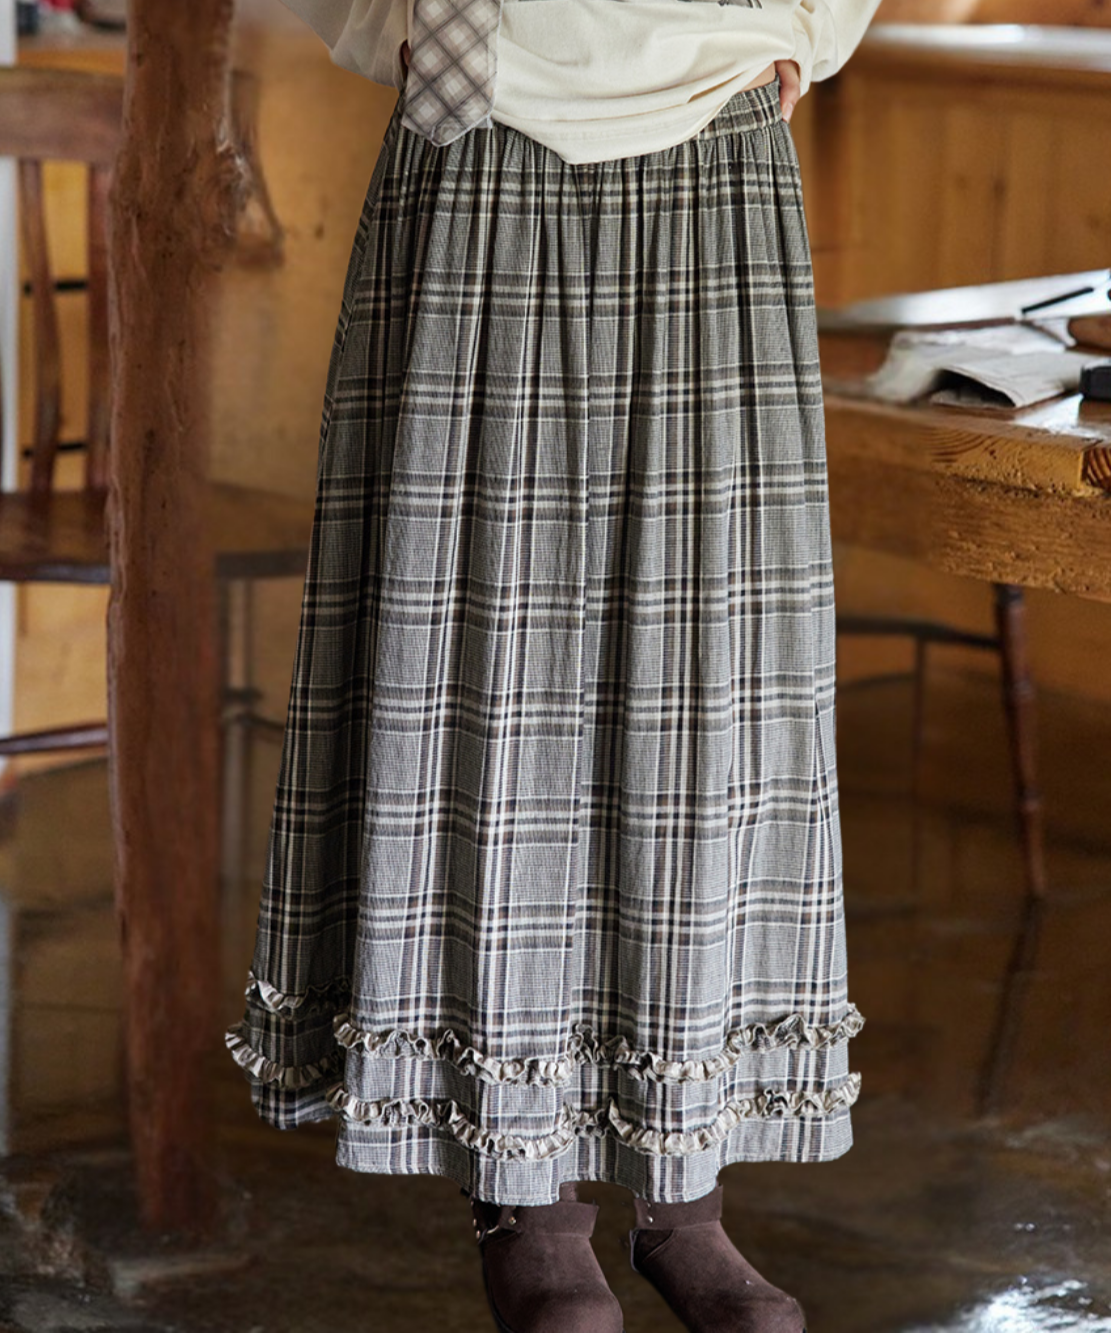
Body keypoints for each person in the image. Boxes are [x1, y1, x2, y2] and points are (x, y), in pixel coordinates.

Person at [226, 0, 880, 1327]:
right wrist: (397, 24)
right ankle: (526, 1197)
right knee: (483, 674)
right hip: (484, 131)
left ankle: (682, 1188)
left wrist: (809, 28)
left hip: (714, 142)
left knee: (704, 694)